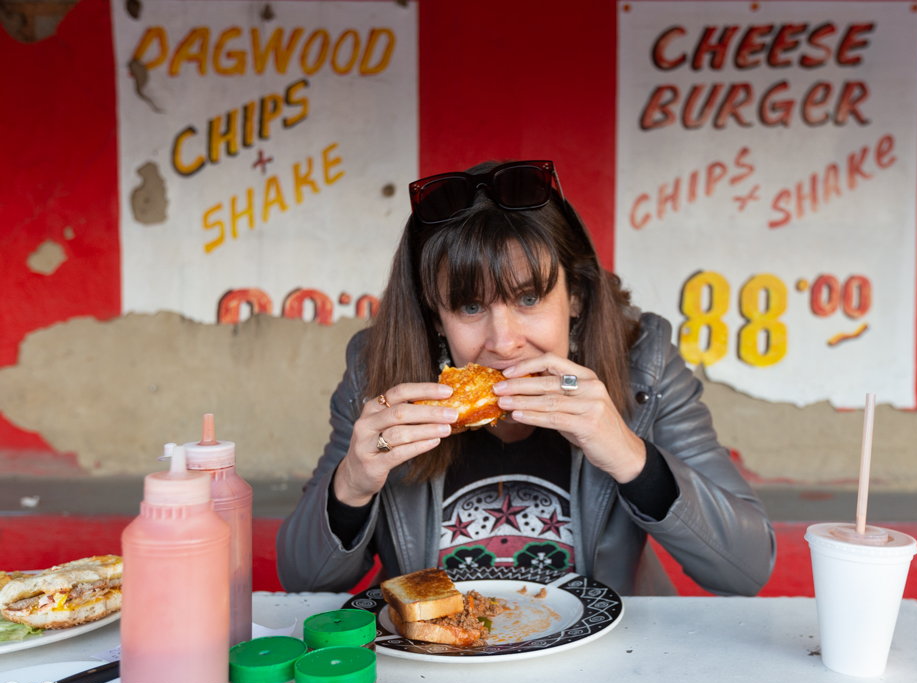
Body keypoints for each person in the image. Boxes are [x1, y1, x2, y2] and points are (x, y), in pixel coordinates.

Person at [277, 160, 775, 596]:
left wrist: (629, 455)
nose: (505, 340)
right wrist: (353, 485)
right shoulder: (377, 376)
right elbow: (302, 582)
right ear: (435, 317)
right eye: (470, 306)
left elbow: (747, 570)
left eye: (529, 299)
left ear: (575, 296)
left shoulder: (643, 363)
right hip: (443, 662)